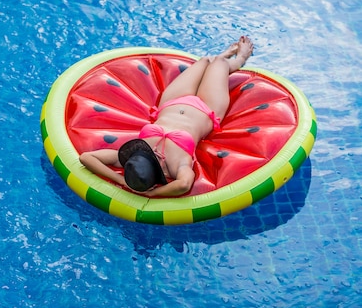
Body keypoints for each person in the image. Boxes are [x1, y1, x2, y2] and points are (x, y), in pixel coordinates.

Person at [79, 36, 254, 197]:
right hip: (207, 108)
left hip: (171, 102)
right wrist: (154, 194)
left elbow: (86, 157)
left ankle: (222, 56)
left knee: (203, 61)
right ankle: (238, 59)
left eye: (146, 153)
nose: (150, 152)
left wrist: (120, 180)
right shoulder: (176, 166)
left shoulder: (133, 157)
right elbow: (184, 184)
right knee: (219, 64)